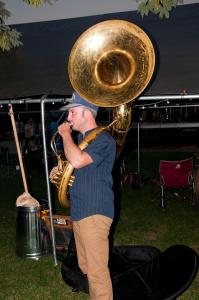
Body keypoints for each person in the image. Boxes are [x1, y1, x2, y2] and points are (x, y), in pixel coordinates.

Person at [50, 92, 116, 300]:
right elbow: (78, 169)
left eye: (72, 112)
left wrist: (65, 135)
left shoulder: (102, 139)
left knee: (97, 273)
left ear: (87, 112)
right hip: (80, 211)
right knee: (86, 267)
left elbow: (77, 161)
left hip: (95, 211)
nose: (68, 119)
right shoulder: (81, 141)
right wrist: (59, 175)